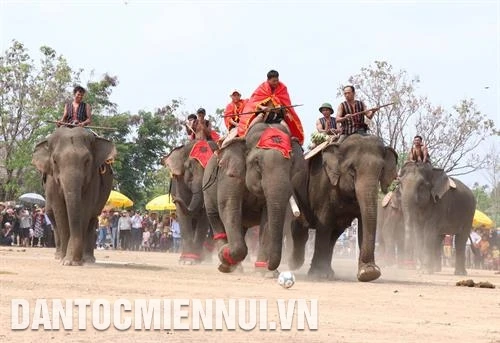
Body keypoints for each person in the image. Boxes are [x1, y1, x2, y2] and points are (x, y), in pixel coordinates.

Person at [238, 70, 304, 145]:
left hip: (276, 116)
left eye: (277, 80)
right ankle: (245, 135)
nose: (276, 83)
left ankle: (290, 140)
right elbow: (254, 102)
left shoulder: (282, 88)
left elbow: (285, 103)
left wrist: (280, 107)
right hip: (264, 114)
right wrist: (262, 107)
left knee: (285, 125)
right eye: (273, 81)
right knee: (257, 119)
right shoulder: (262, 88)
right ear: (268, 80)